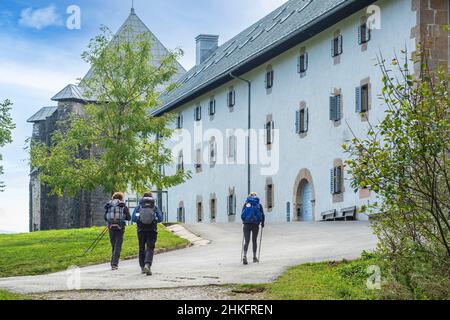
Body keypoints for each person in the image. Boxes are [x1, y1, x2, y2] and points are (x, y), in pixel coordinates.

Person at [132, 192, 164, 276]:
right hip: (152, 230)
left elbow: (133, 219)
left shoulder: (139, 207)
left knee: (141, 248)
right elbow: (160, 219)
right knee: (150, 247)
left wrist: (140, 219)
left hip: (141, 230)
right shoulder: (154, 207)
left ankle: (142, 267)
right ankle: (147, 264)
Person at [104, 192, 131, 270]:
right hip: (120, 227)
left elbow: (105, 217)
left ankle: (113, 262)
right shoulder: (123, 205)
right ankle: (114, 264)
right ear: (121, 198)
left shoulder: (109, 205)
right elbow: (129, 218)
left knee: (113, 245)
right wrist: (123, 217)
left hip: (111, 227)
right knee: (118, 245)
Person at [241, 192, 265, 265]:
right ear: (256, 196)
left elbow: (242, 214)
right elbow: (262, 215)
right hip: (255, 225)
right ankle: (254, 257)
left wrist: (244, 221)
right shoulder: (258, 205)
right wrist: (262, 223)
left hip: (246, 225)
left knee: (247, 241)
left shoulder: (246, 204)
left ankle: (244, 256)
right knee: (254, 241)